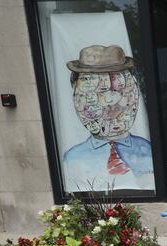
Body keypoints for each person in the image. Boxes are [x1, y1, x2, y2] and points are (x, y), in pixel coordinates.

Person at [63, 45, 153, 191]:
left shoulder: (149, 151)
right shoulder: (72, 160)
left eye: (120, 90)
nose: (110, 103)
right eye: (95, 93)